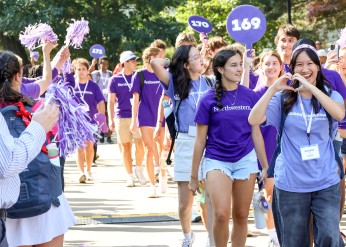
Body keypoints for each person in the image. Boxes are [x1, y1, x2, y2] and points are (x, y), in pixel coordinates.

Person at [248, 44, 345, 246]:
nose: (305, 69)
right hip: (290, 183)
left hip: (325, 180)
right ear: (292, 68)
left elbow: (339, 114)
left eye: (310, 63)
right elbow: (253, 119)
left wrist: (311, 88)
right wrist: (273, 88)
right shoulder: (282, 99)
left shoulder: (330, 95)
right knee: (294, 242)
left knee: (329, 235)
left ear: (318, 67)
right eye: (299, 64)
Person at [188, 48, 268, 246]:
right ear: (220, 69)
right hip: (216, 159)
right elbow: (200, 140)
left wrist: (265, 166)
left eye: (240, 64)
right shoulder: (207, 99)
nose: (240, 69)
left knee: (241, 216)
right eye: (234, 65)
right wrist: (193, 176)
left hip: (245, 160)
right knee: (222, 214)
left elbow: (256, 133)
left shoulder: (250, 96)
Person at [0, 48, 75, 247]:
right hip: (46, 199)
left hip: (9, 210)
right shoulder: (34, 102)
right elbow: (48, 79)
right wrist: (49, 54)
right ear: (18, 75)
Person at [151, 45, 211, 246]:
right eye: (195, 57)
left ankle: (213, 238)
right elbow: (154, 63)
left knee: (207, 198)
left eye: (200, 56)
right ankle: (187, 236)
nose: (201, 59)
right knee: (186, 202)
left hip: (210, 144)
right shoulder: (175, 83)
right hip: (186, 142)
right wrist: (174, 64)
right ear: (186, 64)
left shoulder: (210, 82)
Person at [253, 50, 283, 246]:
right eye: (267, 63)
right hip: (266, 152)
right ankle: (273, 236)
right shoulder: (255, 95)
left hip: (288, 152)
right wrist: (264, 163)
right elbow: (254, 131)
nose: (271, 66)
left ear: (281, 67)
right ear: (261, 67)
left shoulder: (289, 91)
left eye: (275, 63)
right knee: (270, 194)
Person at [130, 47, 167, 197]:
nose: (163, 59)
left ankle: (162, 177)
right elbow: (135, 100)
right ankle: (152, 185)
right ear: (151, 58)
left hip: (162, 116)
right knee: (150, 150)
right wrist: (133, 121)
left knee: (163, 149)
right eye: (160, 56)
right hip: (145, 116)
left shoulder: (164, 74)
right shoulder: (139, 75)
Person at [108, 51, 145, 187]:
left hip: (138, 116)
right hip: (121, 117)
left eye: (135, 60)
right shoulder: (115, 79)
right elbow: (111, 101)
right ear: (125, 63)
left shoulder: (139, 76)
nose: (135, 63)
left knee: (140, 144)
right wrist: (110, 119)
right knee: (126, 147)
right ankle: (129, 175)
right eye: (133, 60)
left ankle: (139, 168)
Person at [72, 58, 106, 183]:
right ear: (74, 70)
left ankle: (88, 169)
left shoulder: (93, 86)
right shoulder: (71, 85)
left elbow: (101, 101)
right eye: (78, 69)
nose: (81, 72)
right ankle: (81, 172)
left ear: (88, 71)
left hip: (91, 120)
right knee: (80, 147)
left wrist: (102, 116)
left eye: (84, 69)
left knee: (90, 146)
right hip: (76, 121)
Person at [91, 56, 114, 144]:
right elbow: (87, 73)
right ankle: (100, 135)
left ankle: (108, 136)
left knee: (108, 117)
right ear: (99, 64)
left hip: (108, 98)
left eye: (106, 64)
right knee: (100, 117)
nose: (104, 66)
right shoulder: (95, 73)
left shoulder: (110, 74)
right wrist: (93, 65)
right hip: (98, 99)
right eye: (102, 64)